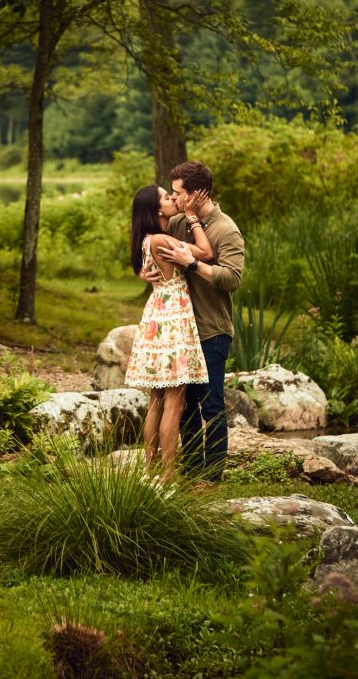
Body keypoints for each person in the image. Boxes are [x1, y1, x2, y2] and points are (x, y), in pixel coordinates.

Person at [154, 160, 244, 483]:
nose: (174, 199)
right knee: (186, 406)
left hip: (211, 331)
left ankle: (212, 477)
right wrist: (147, 270)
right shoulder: (178, 223)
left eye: (178, 193)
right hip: (182, 332)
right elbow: (151, 245)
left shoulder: (226, 230)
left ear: (196, 194)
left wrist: (192, 263)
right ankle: (191, 474)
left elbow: (232, 279)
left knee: (211, 405)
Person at [125, 183, 214, 482]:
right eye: (166, 197)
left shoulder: (146, 240)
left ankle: (149, 471)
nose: (172, 199)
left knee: (156, 401)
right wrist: (192, 217)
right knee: (174, 403)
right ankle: (168, 475)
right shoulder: (163, 240)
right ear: (156, 210)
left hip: (157, 316)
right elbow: (205, 252)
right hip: (173, 319)